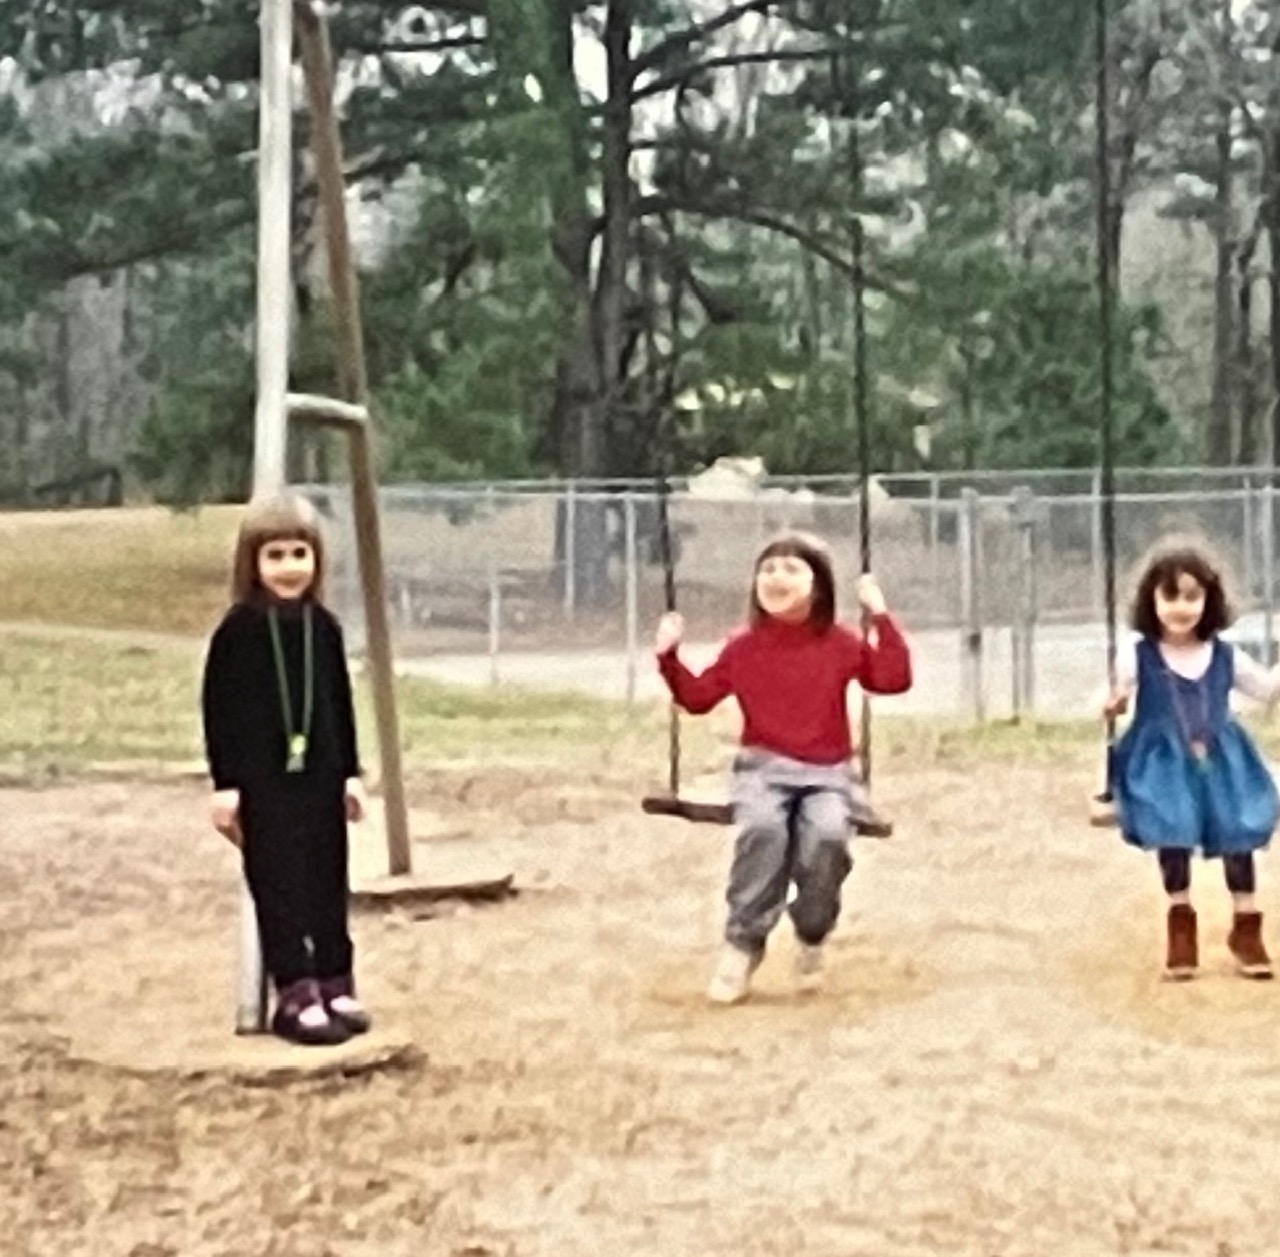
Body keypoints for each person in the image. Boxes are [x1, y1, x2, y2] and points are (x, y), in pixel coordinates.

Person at [655, 531, 912, 1004]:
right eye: (768, 569)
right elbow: (697, 698)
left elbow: (892, 679)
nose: (776, 577)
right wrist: (668, 656)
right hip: (763, 768)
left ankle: (812, 932)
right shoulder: (744, 647)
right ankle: (742, 944)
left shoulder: (839, 643)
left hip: (828, 771)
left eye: (791, 569)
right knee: (764, 831)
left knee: (828, 837)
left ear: (819, 586)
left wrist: (880, 614)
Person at [201, 492, 372, 1044]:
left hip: (318, 780)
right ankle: (294, 990)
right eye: (275, 556)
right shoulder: (238, 632)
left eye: (299, 554)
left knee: (326, 879)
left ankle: (334, 978)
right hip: (263, 784)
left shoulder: (324, 627)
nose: (289, 567)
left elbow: (338, 704)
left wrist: (349, 773)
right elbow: (219, 711)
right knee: (280, 886)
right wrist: (225, 784)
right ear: (252, 563)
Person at [1104, 540, 1280, 981]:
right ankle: (1180, 923)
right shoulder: (1138, 653)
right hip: (1161, 760)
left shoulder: (1225, 655)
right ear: (1152, 601)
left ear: (1208, 601)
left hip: (1223, 758)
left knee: (1237, 831)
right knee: (1173, 828)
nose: (1181, 608)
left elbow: (1265, 691)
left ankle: (1246, 926)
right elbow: (1114, 695)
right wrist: (1112, 704)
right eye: (1170, 597)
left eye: (1192, 597)